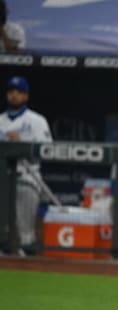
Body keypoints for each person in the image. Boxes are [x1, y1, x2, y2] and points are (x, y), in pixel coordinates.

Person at [0, 76, 52, 255]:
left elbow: (48, 150)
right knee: (2, 231)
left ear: (26, 96)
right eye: (11, 92)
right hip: (3, 179)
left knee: (26, 232)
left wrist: (20, 143)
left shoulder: (37, 121)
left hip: (27, 177)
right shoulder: (0, 120)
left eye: (19, 92)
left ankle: (29, 268)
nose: (14, 95)